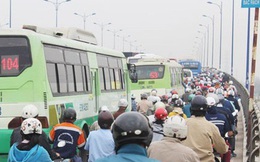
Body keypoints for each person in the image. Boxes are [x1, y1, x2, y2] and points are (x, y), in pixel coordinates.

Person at [182, 95, 228, 162]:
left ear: (191, 109)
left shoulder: (182, 123)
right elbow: (222, 149)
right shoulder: (211, 127)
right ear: (206, 110)